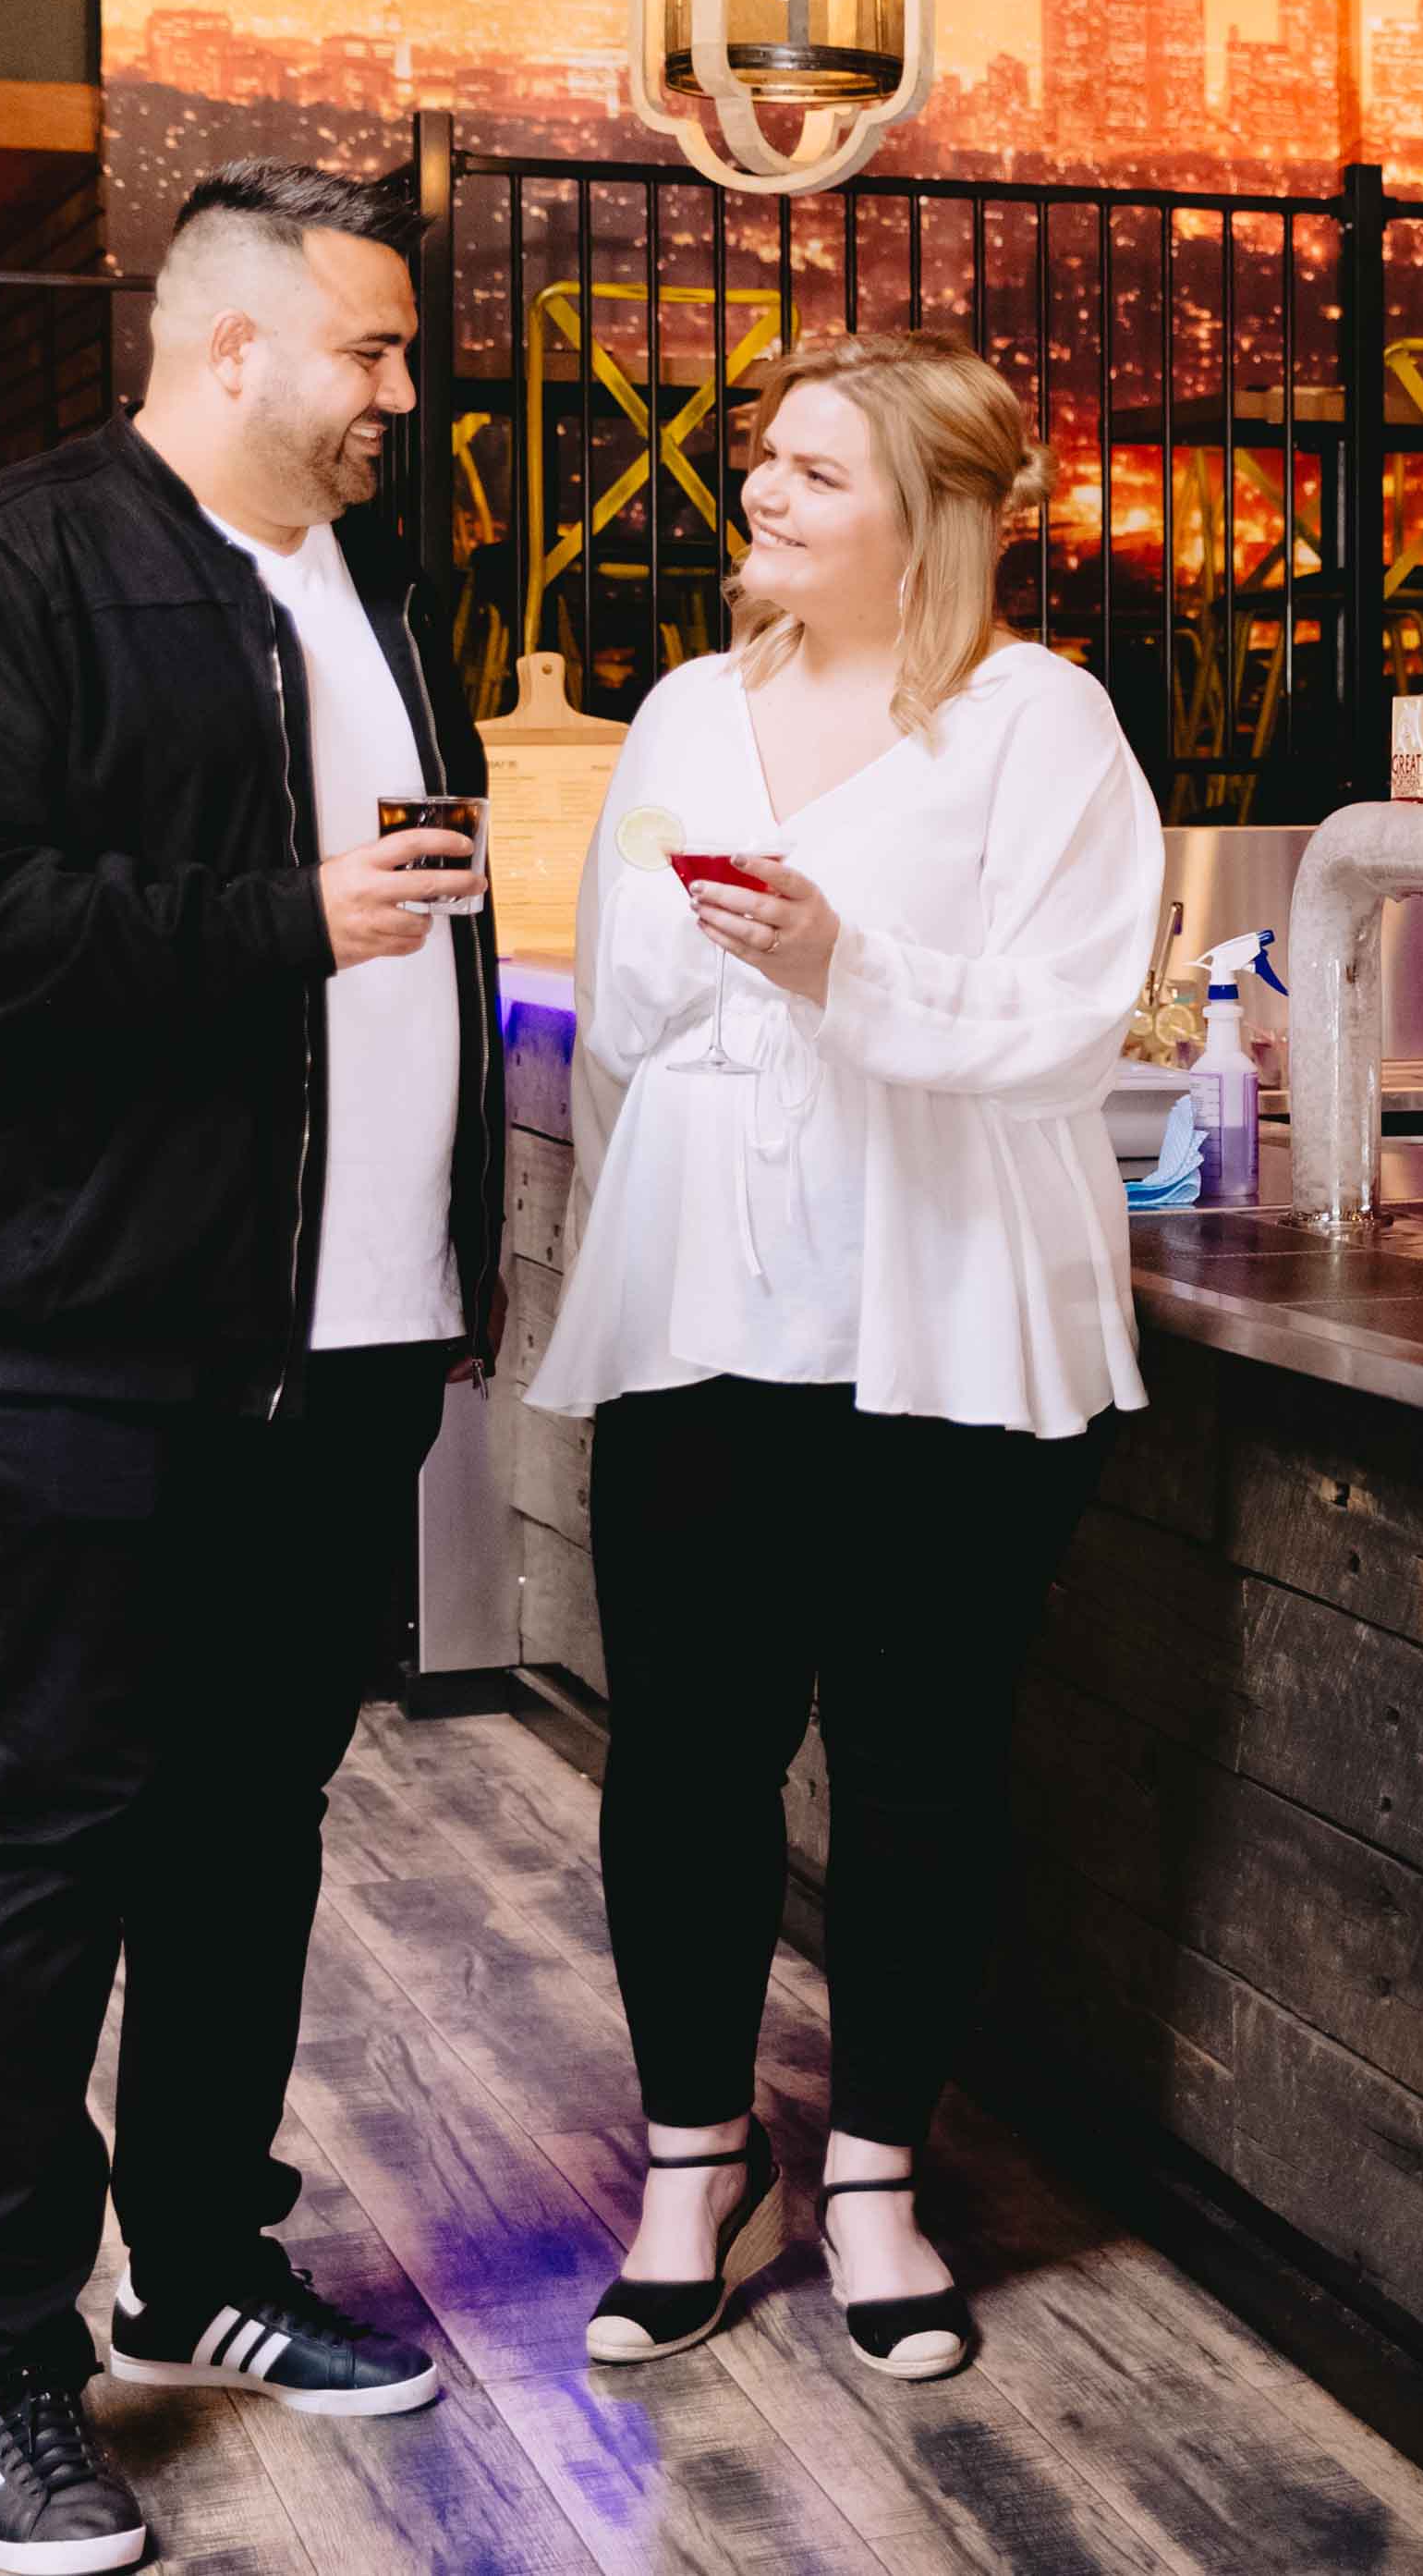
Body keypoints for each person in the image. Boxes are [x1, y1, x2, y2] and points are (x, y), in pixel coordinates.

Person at [0, 158, 498, 2576]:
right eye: (376, 350)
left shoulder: (374, 585)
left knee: (251, 1818)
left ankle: (196, 2260)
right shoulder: (7, 566)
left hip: (346, 1337)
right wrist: (276, 918)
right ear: (230, 348)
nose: (407, 394)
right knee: (54, 1831)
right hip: (87, 1333)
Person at [523, 330, 1161, 2382]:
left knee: (916, 1765)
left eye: (814, 472)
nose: (764, 496)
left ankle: (874, 2170)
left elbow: (1068, 1021)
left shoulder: (1039, 727)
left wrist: (842, 967)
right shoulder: (687, 714)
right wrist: (728, 982)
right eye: (762, 462)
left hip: (945, 1320)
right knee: (688, 1758)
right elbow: (628, 1010)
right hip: (708, 1298)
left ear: (934, 521)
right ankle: (694, 2166)